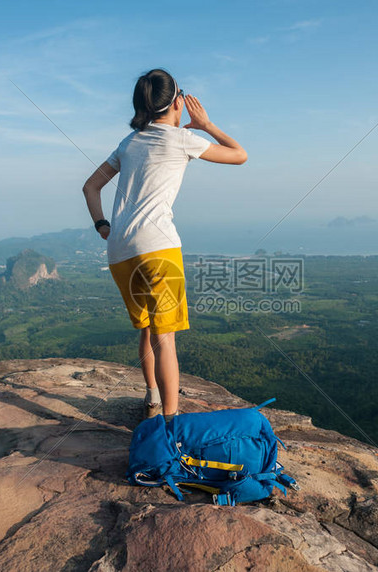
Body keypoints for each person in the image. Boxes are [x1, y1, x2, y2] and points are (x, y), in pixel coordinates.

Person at [82, 68, 247, 423]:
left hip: (120, 251)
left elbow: (90, 187)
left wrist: (103, 226)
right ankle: (170, 426)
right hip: (158, 248)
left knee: (146, 329)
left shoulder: (128, 144)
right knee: (165, 338)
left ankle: (152, 401)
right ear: (177, 102)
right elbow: (239, 155)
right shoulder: (180, 139)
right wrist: (205, 124)